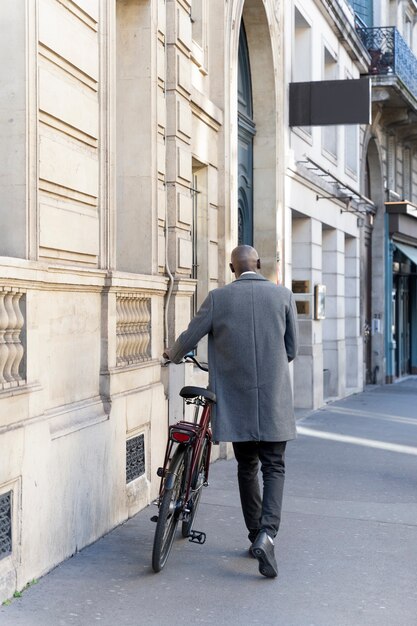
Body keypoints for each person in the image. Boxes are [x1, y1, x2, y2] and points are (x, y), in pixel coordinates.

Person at [163, 245, 298, 578]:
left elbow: (189, 338)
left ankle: (255, 534)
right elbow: (291, 350)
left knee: (247, 466)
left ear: (230, 267)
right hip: (273, 401)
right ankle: (267, 535)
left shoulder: (218, 298)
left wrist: (173, 353)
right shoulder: (283, 296)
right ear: (260, 263)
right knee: (274, 467)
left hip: (235, 402)